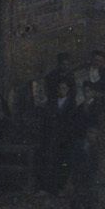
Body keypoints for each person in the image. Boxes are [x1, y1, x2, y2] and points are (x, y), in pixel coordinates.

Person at [36, 54, 76, 193]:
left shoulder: (71, 104)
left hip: (65, 136)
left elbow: (71, 121)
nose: (62, 90)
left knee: (64, 161)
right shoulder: (52, 103)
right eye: (60, 88)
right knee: (50, 160)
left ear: (68, 89)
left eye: (64, 88)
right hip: (53, 135)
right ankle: (48, 187)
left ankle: (61, 187)